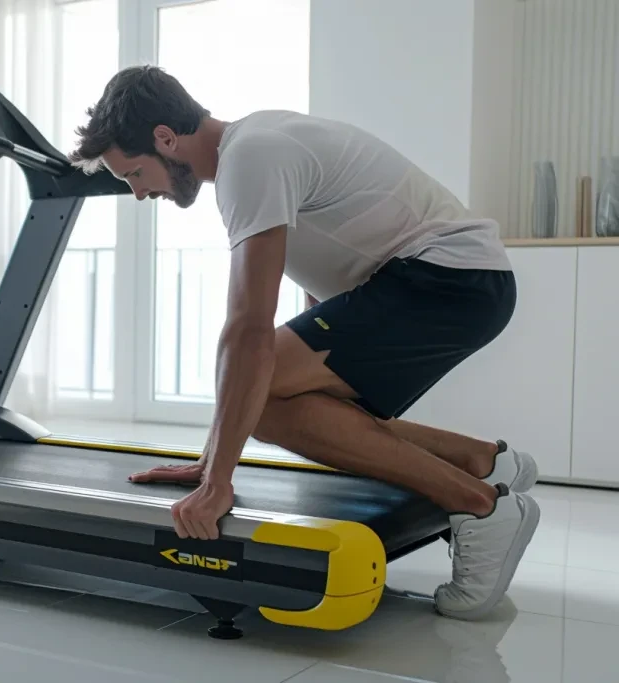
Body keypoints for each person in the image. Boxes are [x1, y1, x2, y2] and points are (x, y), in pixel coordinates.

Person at [67, 65, 540, 621]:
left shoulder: (251, 159)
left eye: (133, 174)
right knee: (280, 395)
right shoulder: (257, 144)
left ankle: (481, 507)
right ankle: (484, 462)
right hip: (452, 281)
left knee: (261, 395)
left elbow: (247, 326)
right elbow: (324, 288)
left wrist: (218, 478)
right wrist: (216, 452)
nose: (140, 193)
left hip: (445, 280)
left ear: (165, 139)